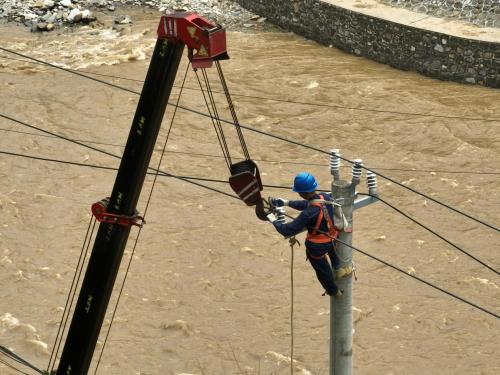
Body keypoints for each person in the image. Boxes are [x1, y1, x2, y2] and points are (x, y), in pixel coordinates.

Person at [267, 172, 351, 297]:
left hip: (317, 247)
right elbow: (307, 203)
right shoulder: (325, 198)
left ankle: (334, 291)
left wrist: (272, 218)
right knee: (332, 252)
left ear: (303, 193)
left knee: (323, 271)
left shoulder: (308, 214)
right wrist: (286, 202)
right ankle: (338, 269)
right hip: (333, 239)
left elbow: (287, 230)